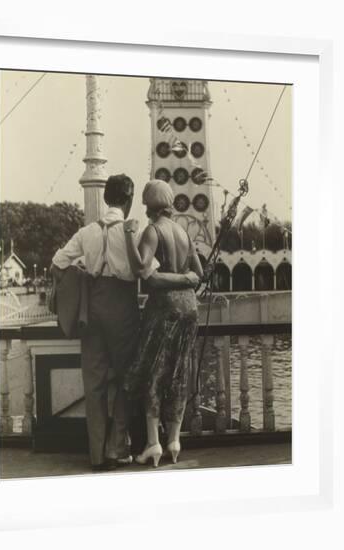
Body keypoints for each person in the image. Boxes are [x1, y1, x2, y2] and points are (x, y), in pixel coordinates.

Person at [51, 174, 199, 472]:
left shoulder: (86, 232)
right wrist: (188, 280)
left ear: (105, 198)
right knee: (125, 379)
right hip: (123, 308)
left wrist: (82, 278)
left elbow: (57, 263)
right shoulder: (132, 230)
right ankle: (117, 448)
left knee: (94, 383)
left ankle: (96, 455)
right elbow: (148, 272)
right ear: (130, 201)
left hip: (91, 309)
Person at [123, 179, 204, 468]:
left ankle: (153, 443)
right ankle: (174, 440)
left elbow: (147, 274)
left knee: (154, 373)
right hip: (189, 309)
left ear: (148, 205)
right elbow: (198, 274)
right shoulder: (183, 232)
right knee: (179, 372)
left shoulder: (153, 231)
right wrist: (186, 280)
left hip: (163, 309)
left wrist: (131, 239)